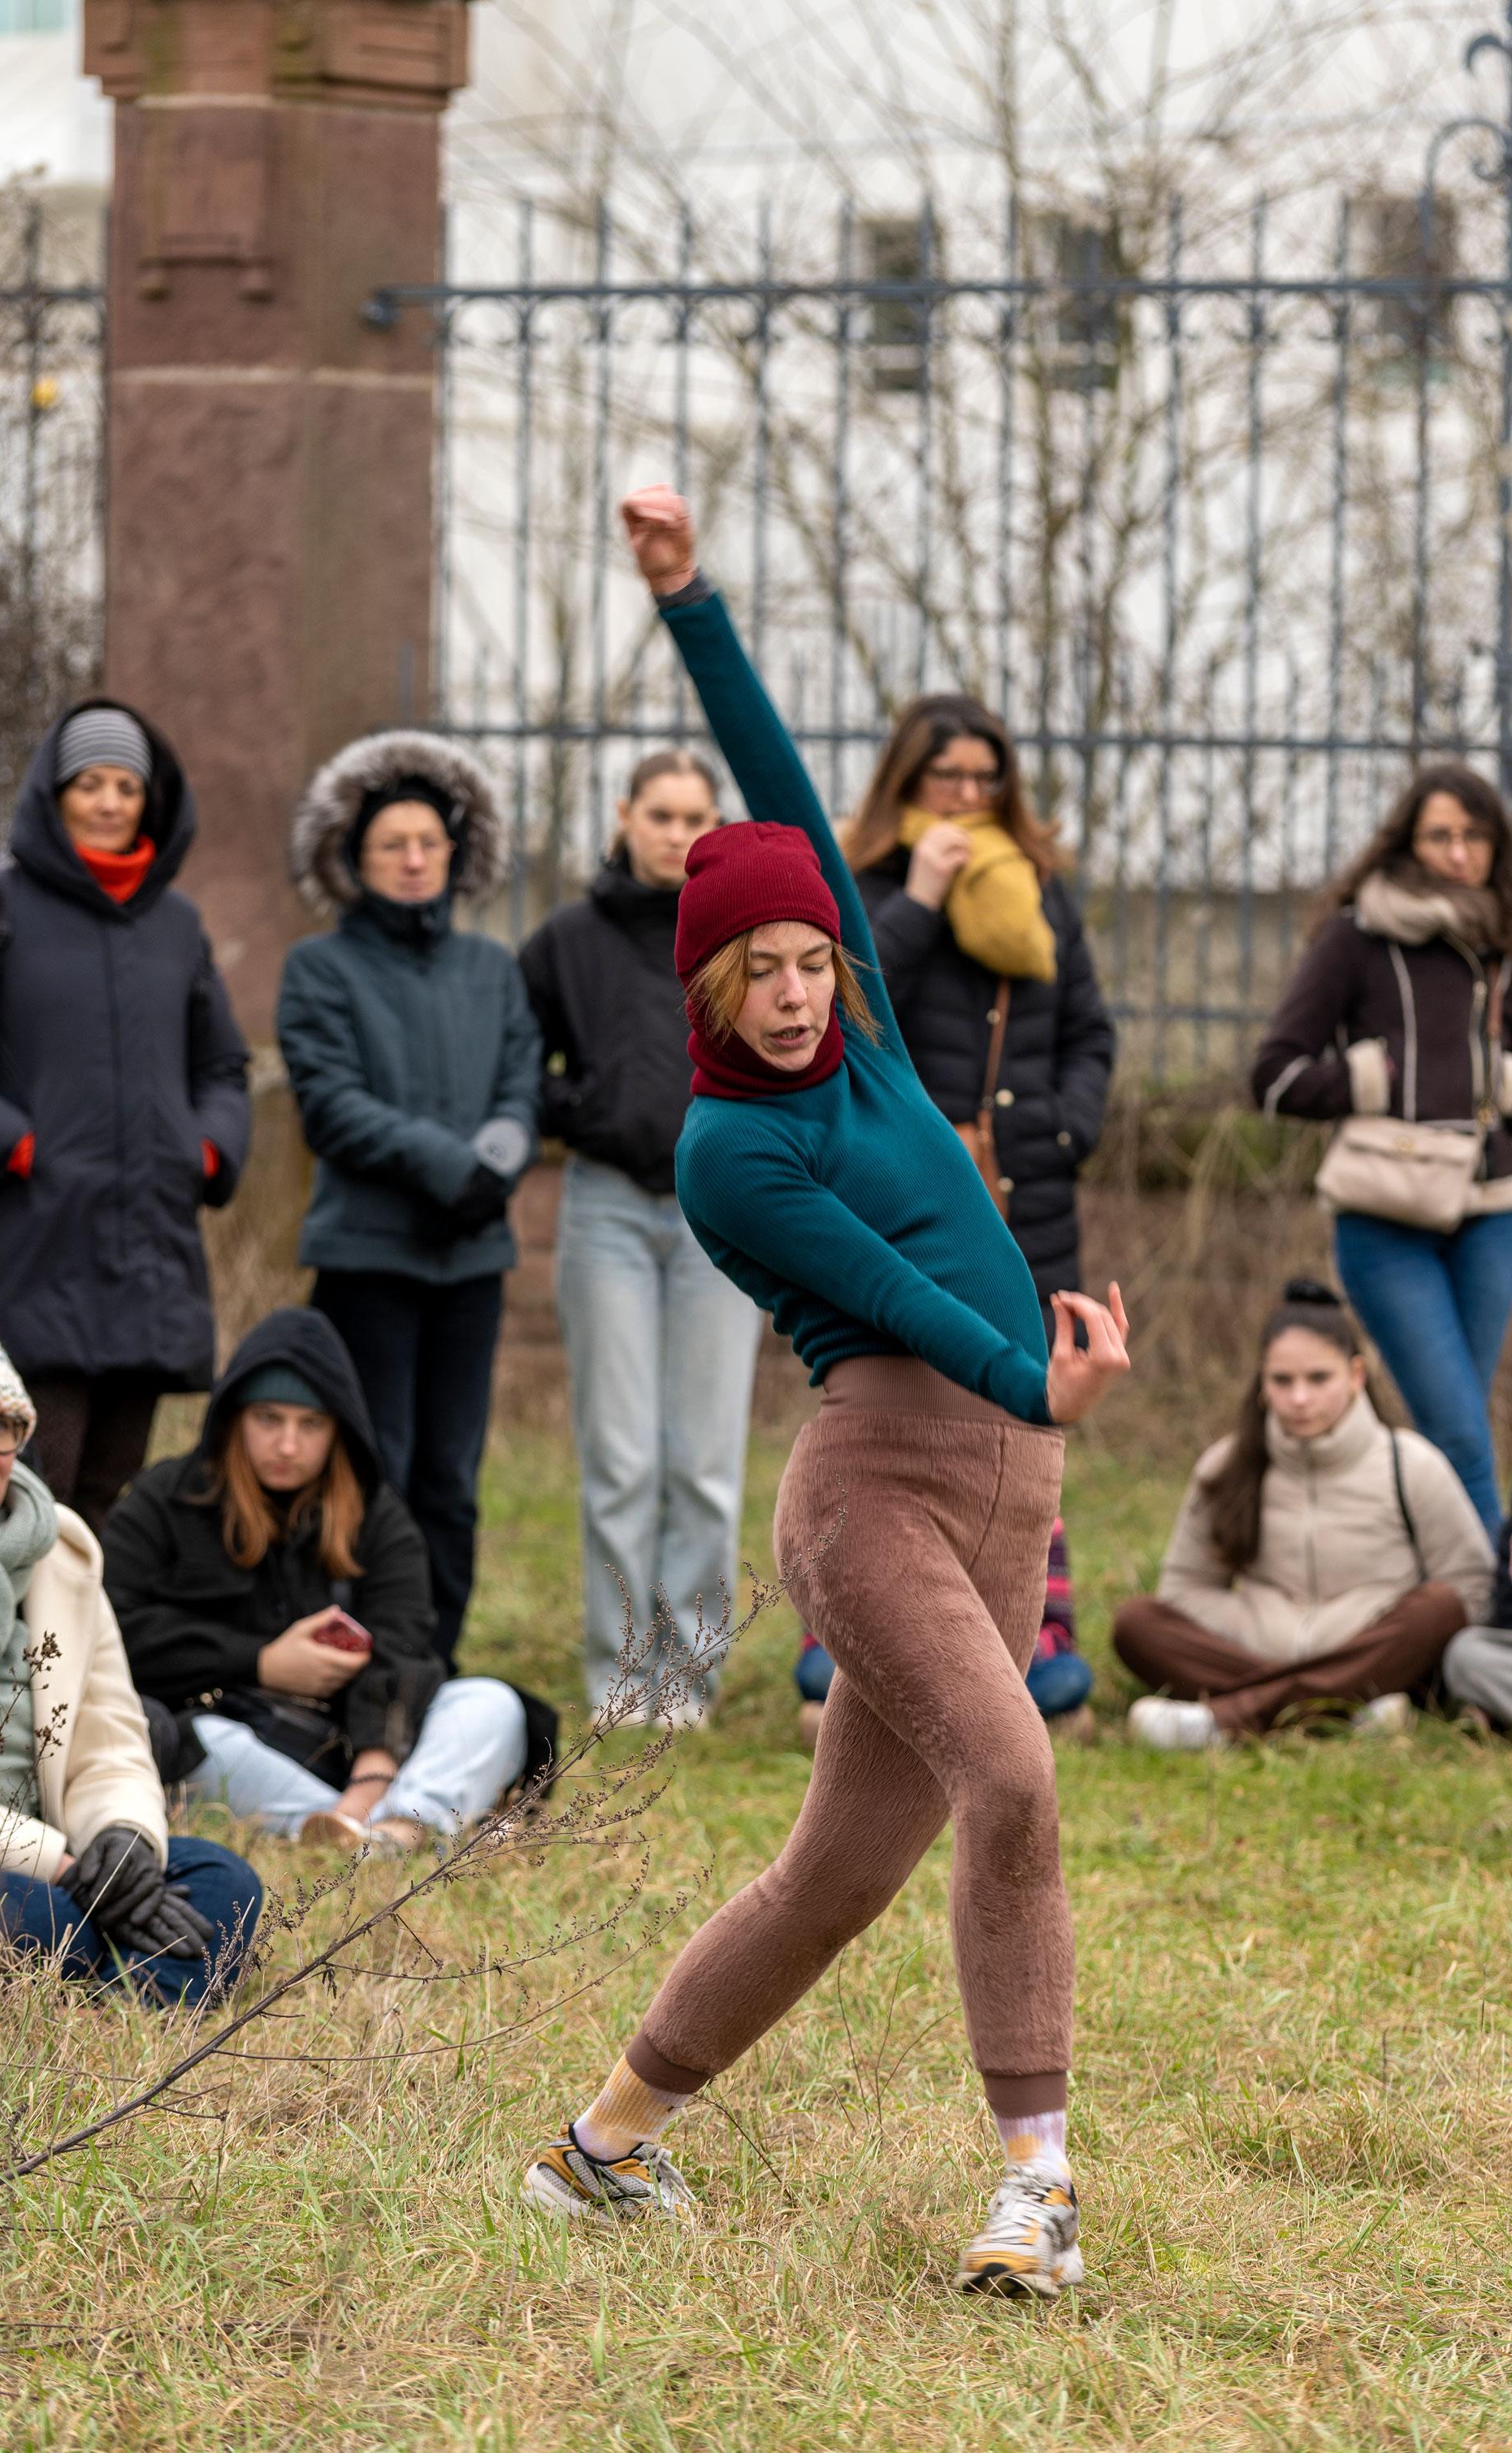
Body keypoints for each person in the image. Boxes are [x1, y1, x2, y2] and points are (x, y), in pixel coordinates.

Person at [518, 486, 1132, 2303]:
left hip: (1004, 1485)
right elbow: (906, 1298)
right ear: (707, 981)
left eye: (807, 961)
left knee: (831, 1878)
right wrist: (1048, 1377)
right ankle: (1039, 2186)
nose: (789, 993)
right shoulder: (728, 1149)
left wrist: (688, 593)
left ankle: (597, 2149)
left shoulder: (862, 1004)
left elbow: (768, 766)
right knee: (1013, 1776)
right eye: (754, 970)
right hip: (873, 1485)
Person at [0, 701, 250, 1534]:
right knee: (28, 1498)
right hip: (36, 1251)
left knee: (109, 1504)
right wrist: (9, 1146)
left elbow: (224, 1065)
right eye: (91, 783)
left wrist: (206, 1150)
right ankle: (11, 1667)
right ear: (56, 793)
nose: (112, 802)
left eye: (127, 785)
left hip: (150, 1257)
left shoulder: (177, 925)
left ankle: (81, 1667)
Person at [278, 735, 544, 1662]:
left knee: (451, 1477)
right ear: (355, 856)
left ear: (456, 852)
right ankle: (368, 1654)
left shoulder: (491, 969)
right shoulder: (319, 969)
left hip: (471, 1261)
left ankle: (439, 1658)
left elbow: (522, 1086)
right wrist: (448, 1167)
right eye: (393, 842)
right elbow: (332, 1103)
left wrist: (492, 1168)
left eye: (430, 841)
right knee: (371, 1465)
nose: (414, 858)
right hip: (368, 1257)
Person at [102, 1310, 554, 1850]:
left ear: (338, 1428)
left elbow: (405, 1640)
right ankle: (377, 1831)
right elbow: (114, 1626)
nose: (288, 1444)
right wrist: (260, 1660)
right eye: (269, 1419)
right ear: (235, 1418)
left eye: (309, 1423)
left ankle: (389, 1827)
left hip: (363, 1756)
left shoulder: (375, 1512)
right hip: (242, 1747)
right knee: (190, 1742)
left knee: (491, 1704)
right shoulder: (165, 1498)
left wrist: (372, 1771)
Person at [518, 752, 762, 1726]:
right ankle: (623, 1677)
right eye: (660, 813)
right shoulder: (566, 941)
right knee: (620, 1456)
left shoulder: (741, 937)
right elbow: (517, 1060)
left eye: (696, 815)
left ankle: (687, 1681)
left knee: (703, 1458)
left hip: (724, 1214)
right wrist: (590, 1108)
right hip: (607, 1208)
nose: (677, 832)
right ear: (624, 815)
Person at [0, 1311, 261, 2006]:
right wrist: (61, 1867)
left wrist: (121, 1845)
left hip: (69, 1861)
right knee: (38, 1917)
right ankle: (121, 1978)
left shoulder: (64, 1550)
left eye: (2, 1425)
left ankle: (97, 1991)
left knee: (225, 1884)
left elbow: (112, 1736)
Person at [1251, 764, 1512, 1536]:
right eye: (1440, 835)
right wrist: (1369, 1078)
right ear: (1406, 842)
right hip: (1384, 1215)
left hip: (1493, 1211)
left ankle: (1439, 1613)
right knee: (1461, 1433)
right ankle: (1496, 1612)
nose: (1459, 853)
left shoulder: (1504, 942)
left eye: (1475, 836)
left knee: (1452, 1431)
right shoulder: (1358, 936)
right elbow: (1273, 1077)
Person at [1114, 1279, 1493, 1749]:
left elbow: (1471, 1590)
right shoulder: (1226, 1465)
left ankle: (1219, 1723)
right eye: (1282, 1381)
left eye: (1318, 1379)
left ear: (1355, 1376)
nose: (1299, 1398)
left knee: (1439, 1609)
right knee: (1136, 1623)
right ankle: (1343, 1710)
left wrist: (1360, 1636)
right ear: (1262, 1382)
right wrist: (1261, 1630)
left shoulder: (1411, 1463)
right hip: (1274, 1654)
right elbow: (1183, 1591)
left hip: (1376, 1650)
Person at [843, 698, 1115, 1320]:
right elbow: (849, 1016)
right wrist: (919, 902)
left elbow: (1088, 1030)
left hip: (1029, 1185)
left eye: (985, 777)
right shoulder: (863, 879)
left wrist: (1068, 1127)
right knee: (906, 1390)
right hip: (904, 1179)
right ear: (907, 778)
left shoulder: (1035, 886)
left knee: (1032, 1385)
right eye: (948, 775)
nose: (968, 794)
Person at [795, 1515, 1094, 1749]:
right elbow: (822, 1624)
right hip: (889, 1660)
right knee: (818, 1671)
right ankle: (1002, 1731)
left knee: (1071, 1677)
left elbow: (1058, 1632)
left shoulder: (1041, 1521)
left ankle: (885, 1733)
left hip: (998, 1667)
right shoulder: (865, 1505)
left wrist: (993, 1655)